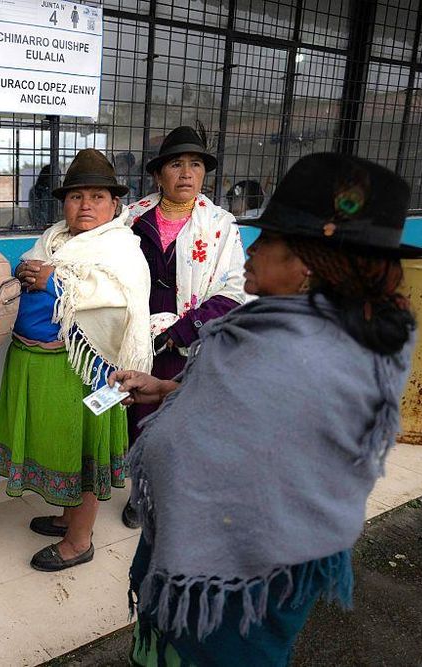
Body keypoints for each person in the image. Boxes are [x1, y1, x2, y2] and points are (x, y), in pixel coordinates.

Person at [111, 153, 422, 666]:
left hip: (232, 588)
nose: (251, 251)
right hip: (193, 564)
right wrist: (168, 389)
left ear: (308, 262)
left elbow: (260, 454)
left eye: (269, 240)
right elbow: (235, 414)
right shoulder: (272, 331)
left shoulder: (316, 357)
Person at [0, 149, 152, 572]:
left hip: (85, 372)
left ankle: (80, 541)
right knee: (62, 446)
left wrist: (55, 281)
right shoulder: (55, 238)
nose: (85, 206)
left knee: (83, 452)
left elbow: (120, 303)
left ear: (115, 204)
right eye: (77, 197)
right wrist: (30, 274)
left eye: (97, 197)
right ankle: (67, 518)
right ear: (63, 202)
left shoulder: (121, 248)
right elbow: (30, 271)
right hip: (41, 365)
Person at [122, 126, 250, 528]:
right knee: (138, 419)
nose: (186, 173)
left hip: (190, 343)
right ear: (159, 174)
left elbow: (236, 288)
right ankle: (140, 494)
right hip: (139, 341)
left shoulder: (220, 224)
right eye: (176, 164)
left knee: (184, 421)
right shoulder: (131, 218)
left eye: (195, 164)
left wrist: (182, 330)